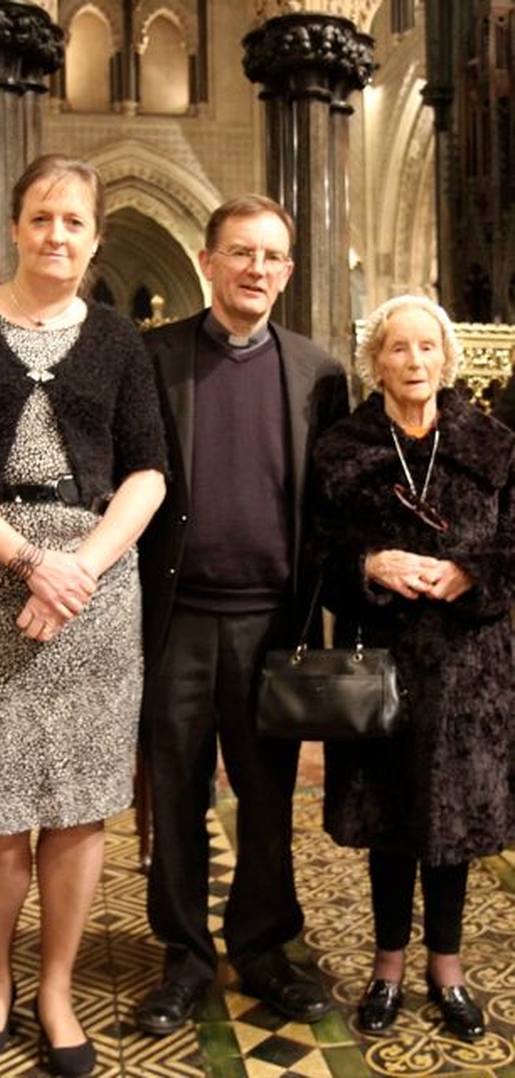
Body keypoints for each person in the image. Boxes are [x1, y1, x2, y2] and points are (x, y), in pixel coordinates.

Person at [0, 153, 167, 1076]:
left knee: (81, 807)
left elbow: (147, 473)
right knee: (0, 806)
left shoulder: (122, 339)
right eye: (43, 217)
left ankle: (55, 988)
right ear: (13, 226)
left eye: (75, 222)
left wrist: (79, 569)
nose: (58, 235)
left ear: (94, 237)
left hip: (94, 590)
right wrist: (24, 561)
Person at [135, 194, 350, 1036]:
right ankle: (185, 956)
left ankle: (263, 946)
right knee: (177, 793)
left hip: (275, 625)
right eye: (241, 253)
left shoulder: (318, 372)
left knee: (266, 800)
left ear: (288, 273)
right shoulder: (156, 358)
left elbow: (331, 504)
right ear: (208, 260)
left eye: (272, 257)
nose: (256, 269)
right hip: (177, 619)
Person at [310, 294, 515, 1042]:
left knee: (452, 826)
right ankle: (389, 965)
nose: (415, 361)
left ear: (448, 357)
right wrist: (369, 563)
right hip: (381, 668)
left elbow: (514, 548)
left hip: (469, 673)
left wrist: (470, 573)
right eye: (399, 348)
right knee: (392, 824)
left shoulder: (492, 444)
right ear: (376, 361)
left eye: (428, 347)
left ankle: (448, 969)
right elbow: (317, 558)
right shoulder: (343, 449)